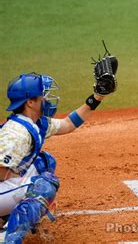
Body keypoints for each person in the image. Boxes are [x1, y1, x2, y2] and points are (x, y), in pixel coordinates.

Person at [0, 71, 114, 242]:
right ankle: (6, 238)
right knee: (42, 186)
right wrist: (27, 185)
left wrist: (97, 97)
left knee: (44, 163)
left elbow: (68, 124)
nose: (46, 99)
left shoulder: (35, 123)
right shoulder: (15, 133)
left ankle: (6, 218)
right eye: (42, 96)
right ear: (30, 102)